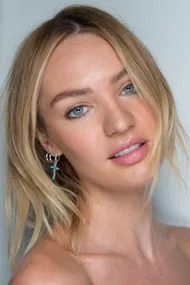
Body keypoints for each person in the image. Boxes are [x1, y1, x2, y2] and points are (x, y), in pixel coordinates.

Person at [5, 4, 190, 285]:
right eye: (78, 109)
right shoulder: (50, 279)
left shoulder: (186, 246)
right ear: (48, 140)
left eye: (129, 87)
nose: (119, 123)